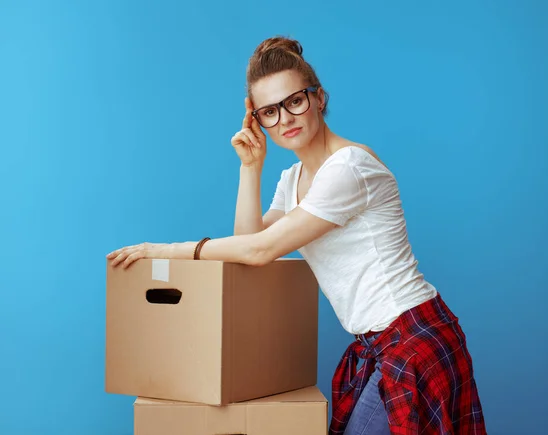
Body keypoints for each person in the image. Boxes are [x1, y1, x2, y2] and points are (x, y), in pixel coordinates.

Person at [107, 36, 487, 435]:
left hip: (412, 340)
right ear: (258, 121)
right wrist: (250, 168)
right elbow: (247, 245)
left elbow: (259, 249)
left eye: (294, 101)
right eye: (269, 111)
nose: (285, 118)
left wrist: (163, 251)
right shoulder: (293, 181)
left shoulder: (349, 167)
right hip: (382, 345)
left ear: (319, 98)